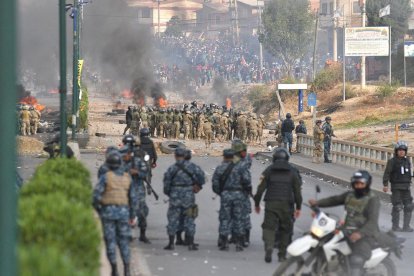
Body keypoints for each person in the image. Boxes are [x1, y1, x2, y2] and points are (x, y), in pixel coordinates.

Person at [309, 170, 380, 276]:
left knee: (356, 260)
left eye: (361, 184)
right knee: (323, 243)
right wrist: (318, 203)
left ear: (367, 184)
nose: (359, 186)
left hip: (365, 234)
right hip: (347, 230)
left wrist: (360, 234)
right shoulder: (350, 195)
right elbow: (335, 200)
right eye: (356, 183)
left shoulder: (373, 199)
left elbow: (373, 221)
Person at [253, 148, 302, 263]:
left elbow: (260, 189)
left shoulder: (269, 170)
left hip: (271, 203)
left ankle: (269, 246)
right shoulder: (292, 171)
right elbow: (297, 192)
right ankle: (282, 254)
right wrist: (298, 207)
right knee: (285, 229)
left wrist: (256, 203)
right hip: (287, 204)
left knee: (268, 227)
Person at [93, 151, 137, 276]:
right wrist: (132, 215)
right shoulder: (127, 178)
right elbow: (133, 199)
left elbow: (96, 197)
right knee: (124, 241)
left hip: (108, 214)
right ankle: (127, 269)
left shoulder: (105, 177)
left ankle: (114, 269)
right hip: (124, 213)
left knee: (110, 241)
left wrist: (100, 210)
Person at [212, 149, 252, 251]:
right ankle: (239, 243)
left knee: (225, 218)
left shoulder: (220, 168)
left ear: (224, 157)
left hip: (226, 195)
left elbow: (215, 184)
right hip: (239, 195)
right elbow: (247, 181)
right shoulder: (241, 168)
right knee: (238, 218)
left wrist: (221, 193)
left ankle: (224, 242)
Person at [163, 148, 201, 251]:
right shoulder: (192, 167)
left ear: (175, 156)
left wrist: (170, 193)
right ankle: (191, 243)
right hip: (188, 195)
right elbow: (201, 177)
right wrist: (197, 187)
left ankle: (171, 243)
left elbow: (166, 185)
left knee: (173, 219)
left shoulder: (172, 168)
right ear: (184, 156)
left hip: (175, 195)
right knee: (190, 218)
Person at [121, 135, 151, 243]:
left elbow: (145, 172)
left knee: (141, 211)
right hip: (123, 187)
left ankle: (142, 234)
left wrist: (137, 172)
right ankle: (126, 234)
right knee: (126, 212)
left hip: (137, 186)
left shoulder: (138, 158)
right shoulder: (119, 157)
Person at [383, 141, 413, 232]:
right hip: (396, 187)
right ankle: (395, 226)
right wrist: (385, 184)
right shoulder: (392, 161)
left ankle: (406, 226)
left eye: (403, 150)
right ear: (396, 151)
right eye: (400, 150)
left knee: (409, 206)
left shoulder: (407, 161)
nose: (401, 152)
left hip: (406, 187)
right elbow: (387, 173)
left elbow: (410, 173)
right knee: (397, 206)